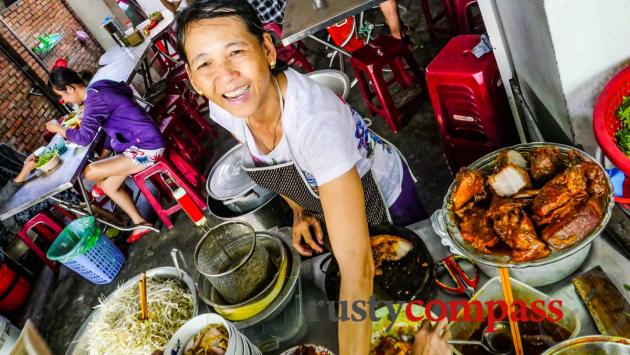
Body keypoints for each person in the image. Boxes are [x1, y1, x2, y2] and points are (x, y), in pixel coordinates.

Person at [176, 1, 428, 353]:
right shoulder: (226, 105)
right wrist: (299, 210)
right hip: (327, 199)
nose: (226, 76)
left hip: (386, 200)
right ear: (193, 79)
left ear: (267, 48)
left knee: (416, 301)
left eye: (236, 52)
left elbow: (357, 269)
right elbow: (264, 158)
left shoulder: (314, 123)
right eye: (206, 63)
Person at [45, 68, 165, 243]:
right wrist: (104, 158)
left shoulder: (93, 102)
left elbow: (84, 138)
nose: (65, 101)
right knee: (109, 186)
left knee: (90, 172)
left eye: (62, 97)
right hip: (144, 138)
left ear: (70, 89)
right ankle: (140, 222)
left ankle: (103, 183)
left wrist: (59, 129)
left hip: (148, 147)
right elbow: (122, 98)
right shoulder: (98, 87)